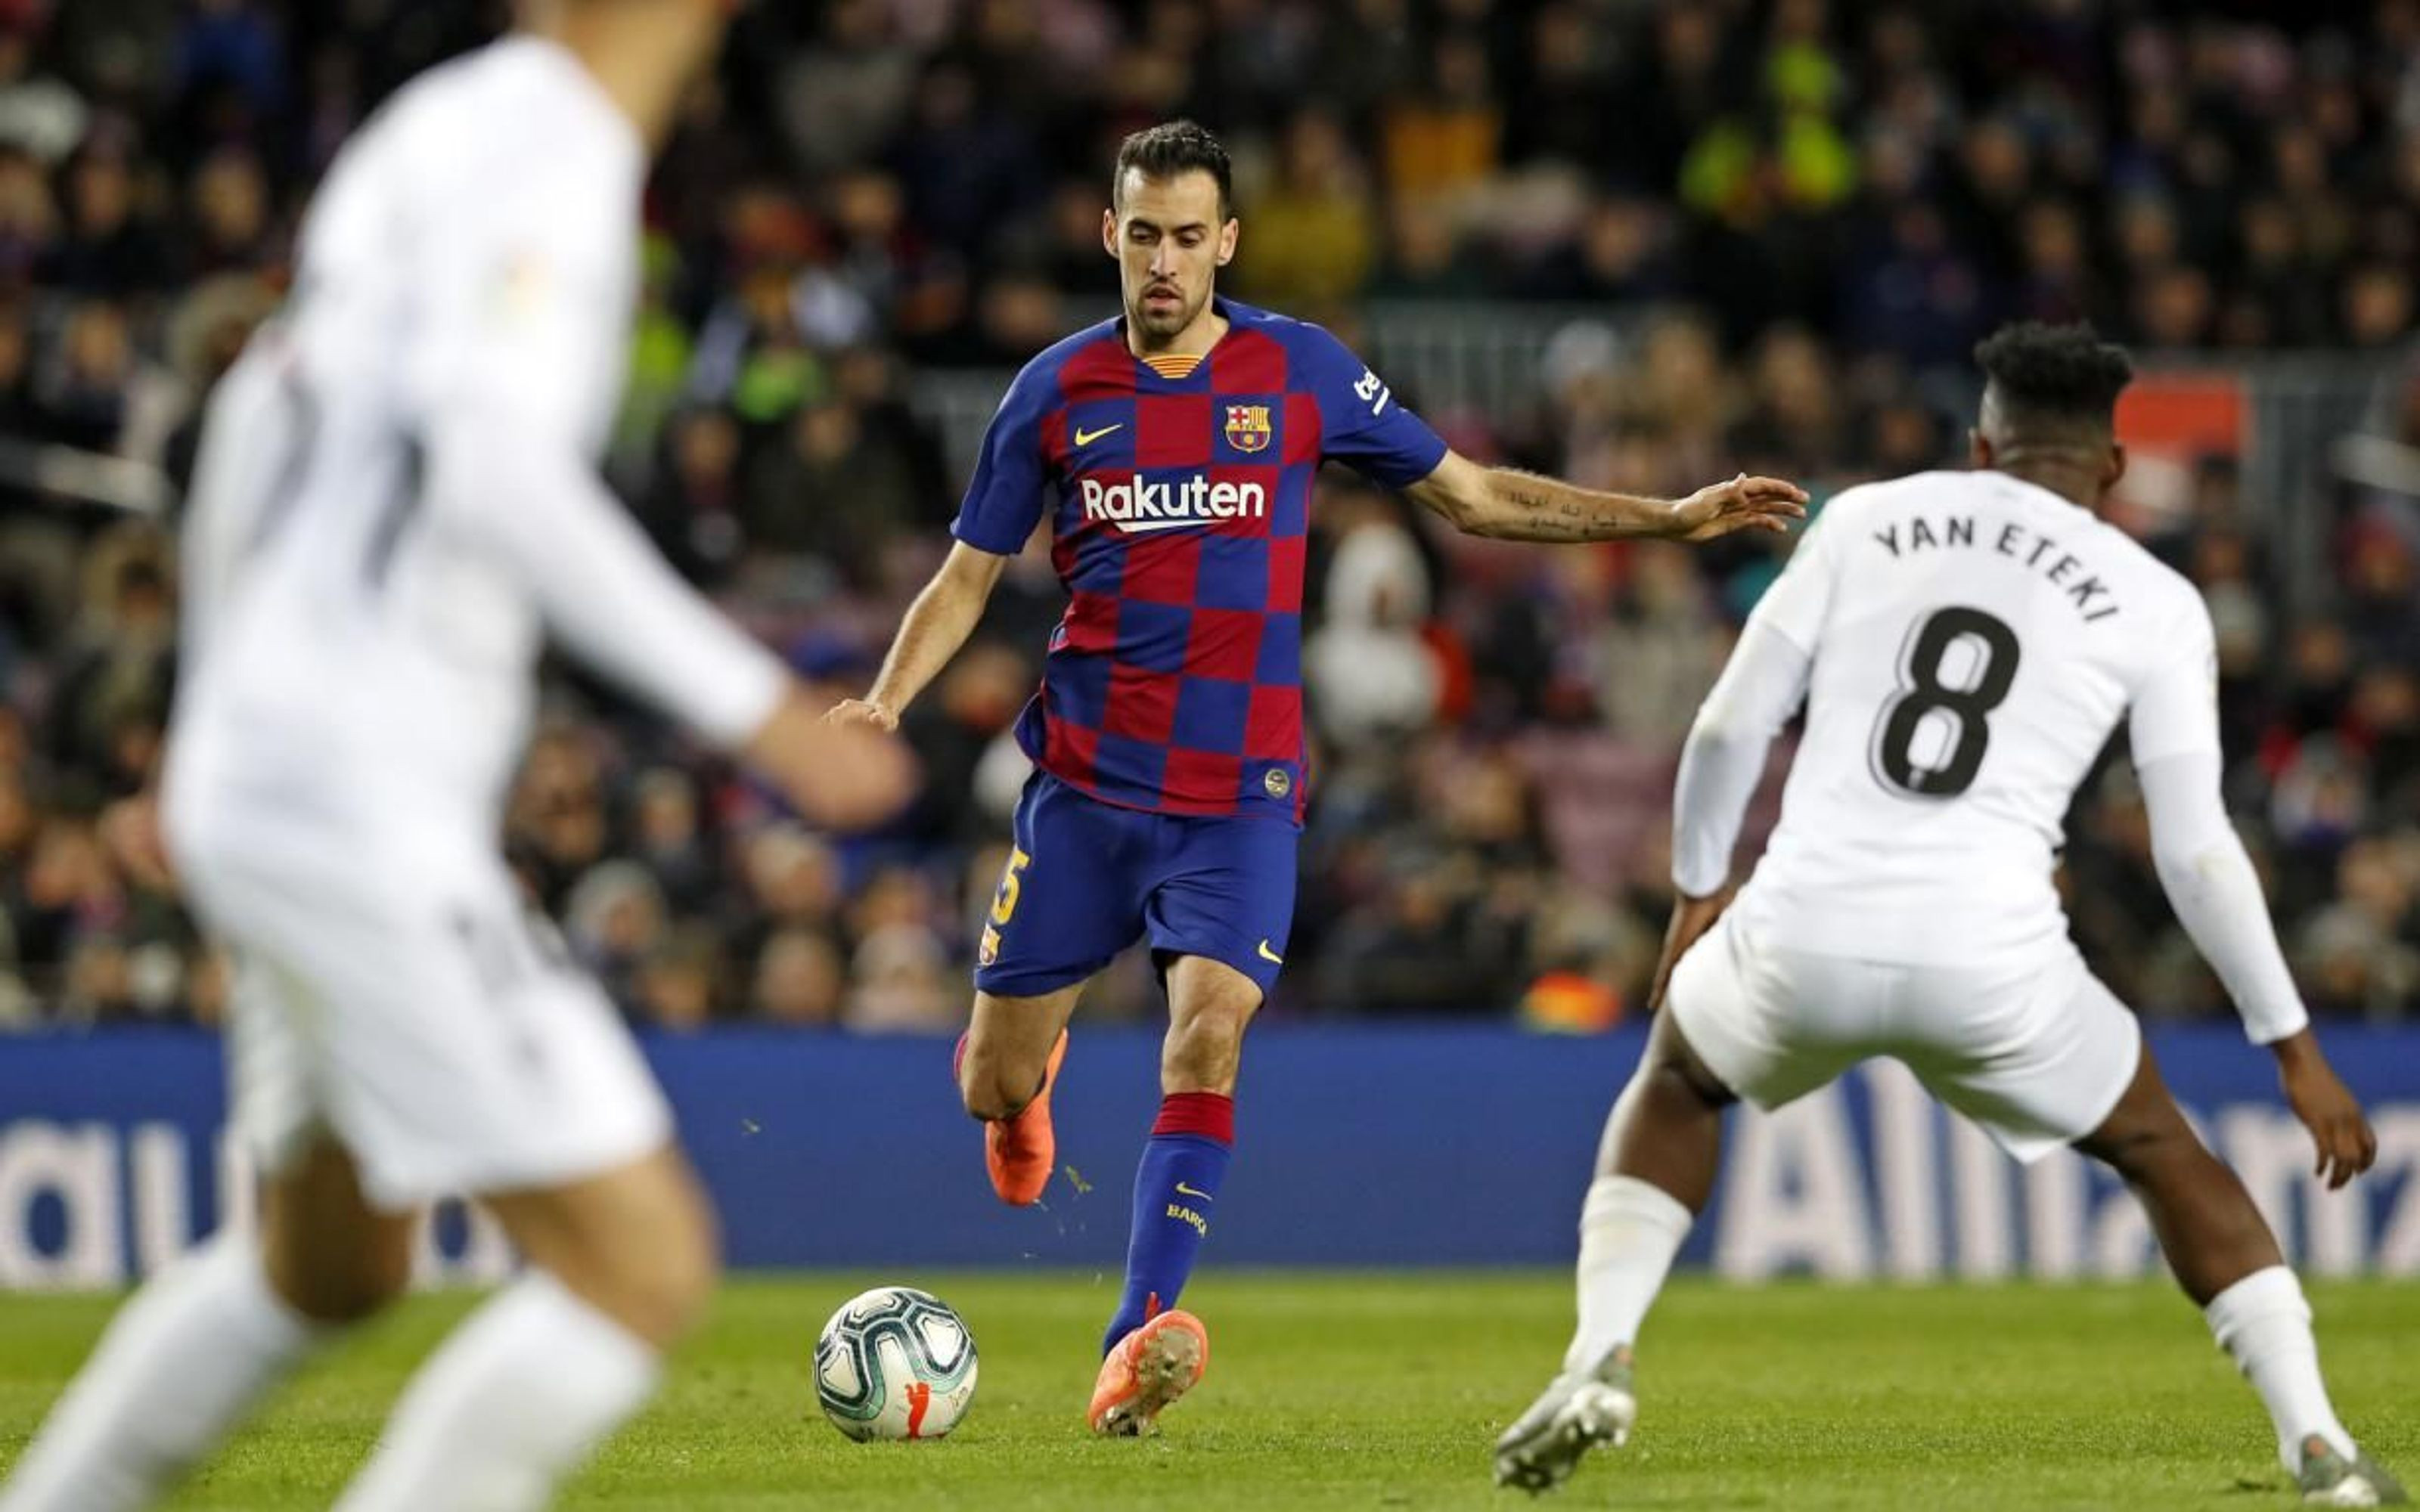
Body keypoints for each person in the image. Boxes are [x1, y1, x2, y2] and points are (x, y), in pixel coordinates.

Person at [0, 4, 913, 1510]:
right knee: (639, 1265)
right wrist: (753, 706)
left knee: (327, 1265)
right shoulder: (553, 164)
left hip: (275, 762)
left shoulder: (433, 133)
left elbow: (259, 412)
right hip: (352, 787)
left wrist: (217, 716)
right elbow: (492, 459)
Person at [826, 119, 1804, 1438]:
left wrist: (1665, 519)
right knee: (993, 1081)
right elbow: (967, 577)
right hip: (1088, 793)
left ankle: (1134, 1343)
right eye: (1143, 234)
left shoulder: (1300, 371)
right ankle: (1019, 1096)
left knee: (1212, 1027)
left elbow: (1474, 497)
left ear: (1225, 242)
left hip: (1238, 799)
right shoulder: (1054, 393)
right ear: (1106, 235)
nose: (1165, 261)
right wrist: (887, 697)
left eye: (1189, 237)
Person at [1492, 323, 2403, 1507]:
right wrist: (2293, 1048)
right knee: (2161, 1149)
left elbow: (1726, 727)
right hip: (1995, 954)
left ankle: (1600, 1358)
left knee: (1679, 1080)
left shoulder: (1866, 519)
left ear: (1981, 446)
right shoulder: (2158, 599)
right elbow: (2194, 850)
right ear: (2114, 472)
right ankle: (2318, 1445)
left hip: (1807, 918)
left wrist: (1697, 893)